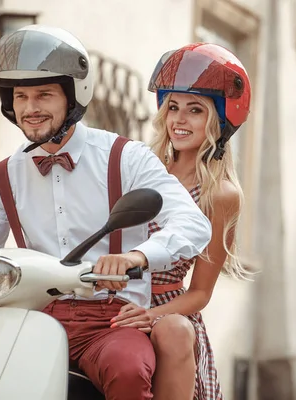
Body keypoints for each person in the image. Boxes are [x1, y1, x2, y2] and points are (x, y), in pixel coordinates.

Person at [0, 25, 212, 400]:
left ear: (73, 96)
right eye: (21, 96)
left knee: (129, 371)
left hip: (112, 322)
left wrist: (136, 256)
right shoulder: (7, 173)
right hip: (31, 317)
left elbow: (193, 223)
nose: (30, 109)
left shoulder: (125, 157)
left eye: (44, 95)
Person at [110, 43, 252, 400]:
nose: (179, 120)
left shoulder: (220, 194)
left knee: (173, 331)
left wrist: (151, 314)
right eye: (172, 107)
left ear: (218, 120)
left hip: (164, 310)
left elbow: (201, 293)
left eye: (194, 110)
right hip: (113, 296)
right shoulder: (141, 168)